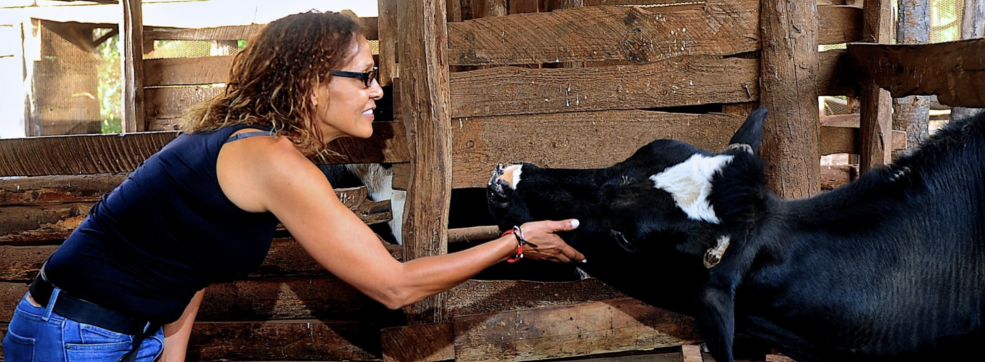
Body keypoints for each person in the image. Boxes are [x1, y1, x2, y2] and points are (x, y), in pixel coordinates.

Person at [1, 10, 585, 362]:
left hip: (128, 330)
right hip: (74, 334)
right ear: (310, 83)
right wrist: (516, 241)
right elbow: (394, 286)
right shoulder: (269, 158)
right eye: (365, 76)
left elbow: (190, 260)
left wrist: (171, 353)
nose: (378, 90)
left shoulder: (253, 150)